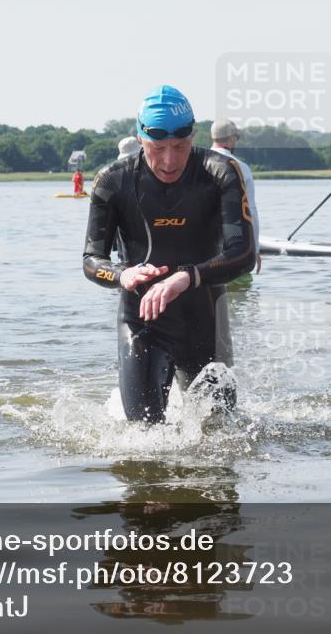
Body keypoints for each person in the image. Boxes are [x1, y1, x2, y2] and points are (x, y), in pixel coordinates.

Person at [83, 85, 255, 424]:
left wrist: (187, 276)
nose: (169, 160)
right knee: (142, 435)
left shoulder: (219, 172)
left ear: (194, 135)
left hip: (205, 316)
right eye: (157, 147)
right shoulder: (113, 181)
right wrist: (122, 275)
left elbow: (244, 253)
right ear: (140, 137)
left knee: (221, 432)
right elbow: (91, 260)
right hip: (142, 319)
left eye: (180, 146)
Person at [209, 119, 261, 273]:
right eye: (236, 138)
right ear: (231, 138)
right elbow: (250, 210)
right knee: (241, 293)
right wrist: (256, 249)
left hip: (203, 249)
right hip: (234, 248)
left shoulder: (197, 162)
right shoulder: (241, 167)